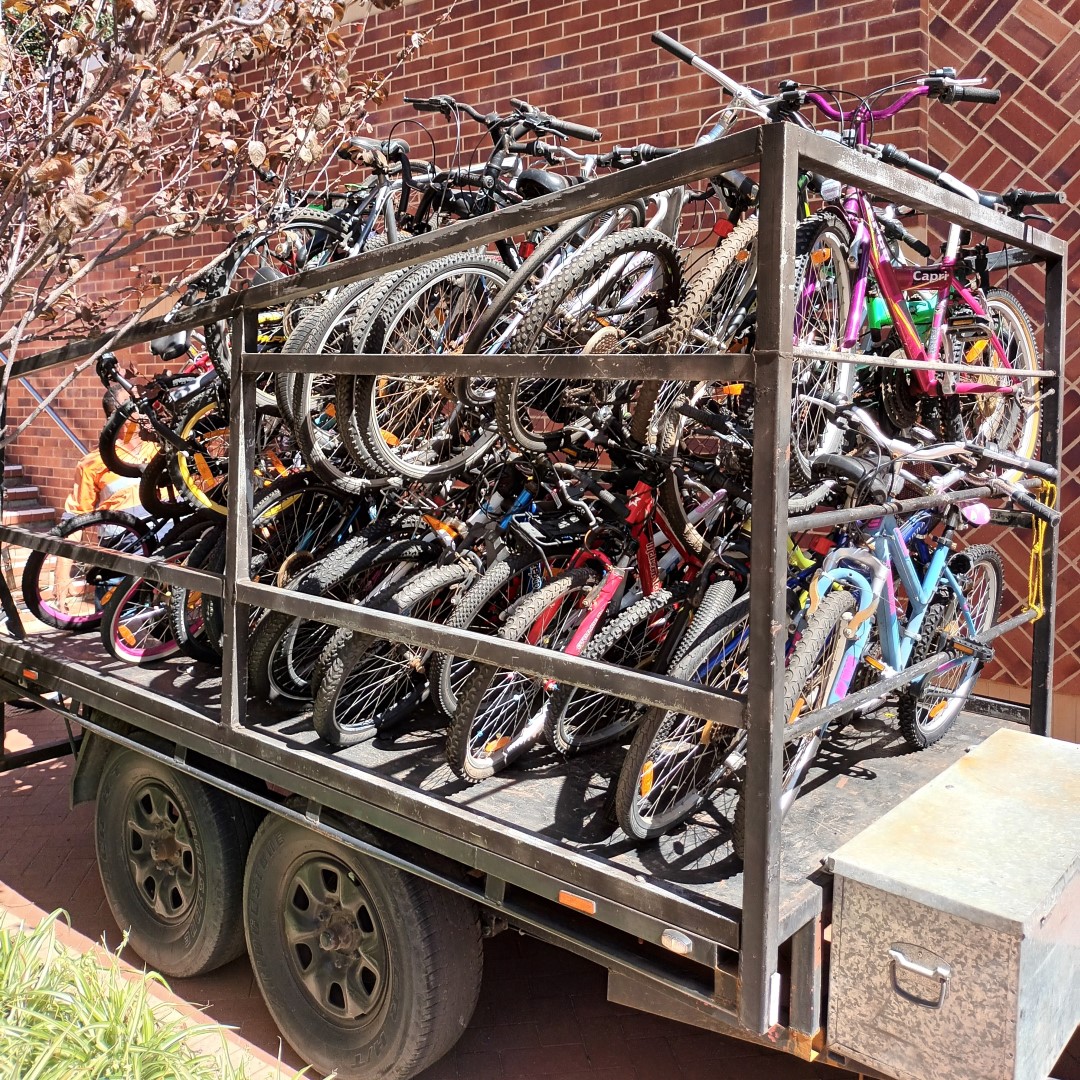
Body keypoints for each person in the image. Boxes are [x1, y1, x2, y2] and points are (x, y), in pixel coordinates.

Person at [51, 390, 157, 613]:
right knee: (117, 635)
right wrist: (61, 582)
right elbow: (74, 523)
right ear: (116, 416)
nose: (144, 410)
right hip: (119, 568)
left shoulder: (160, 448)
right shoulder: (93, 463)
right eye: (135, 406)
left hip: (166, 562)